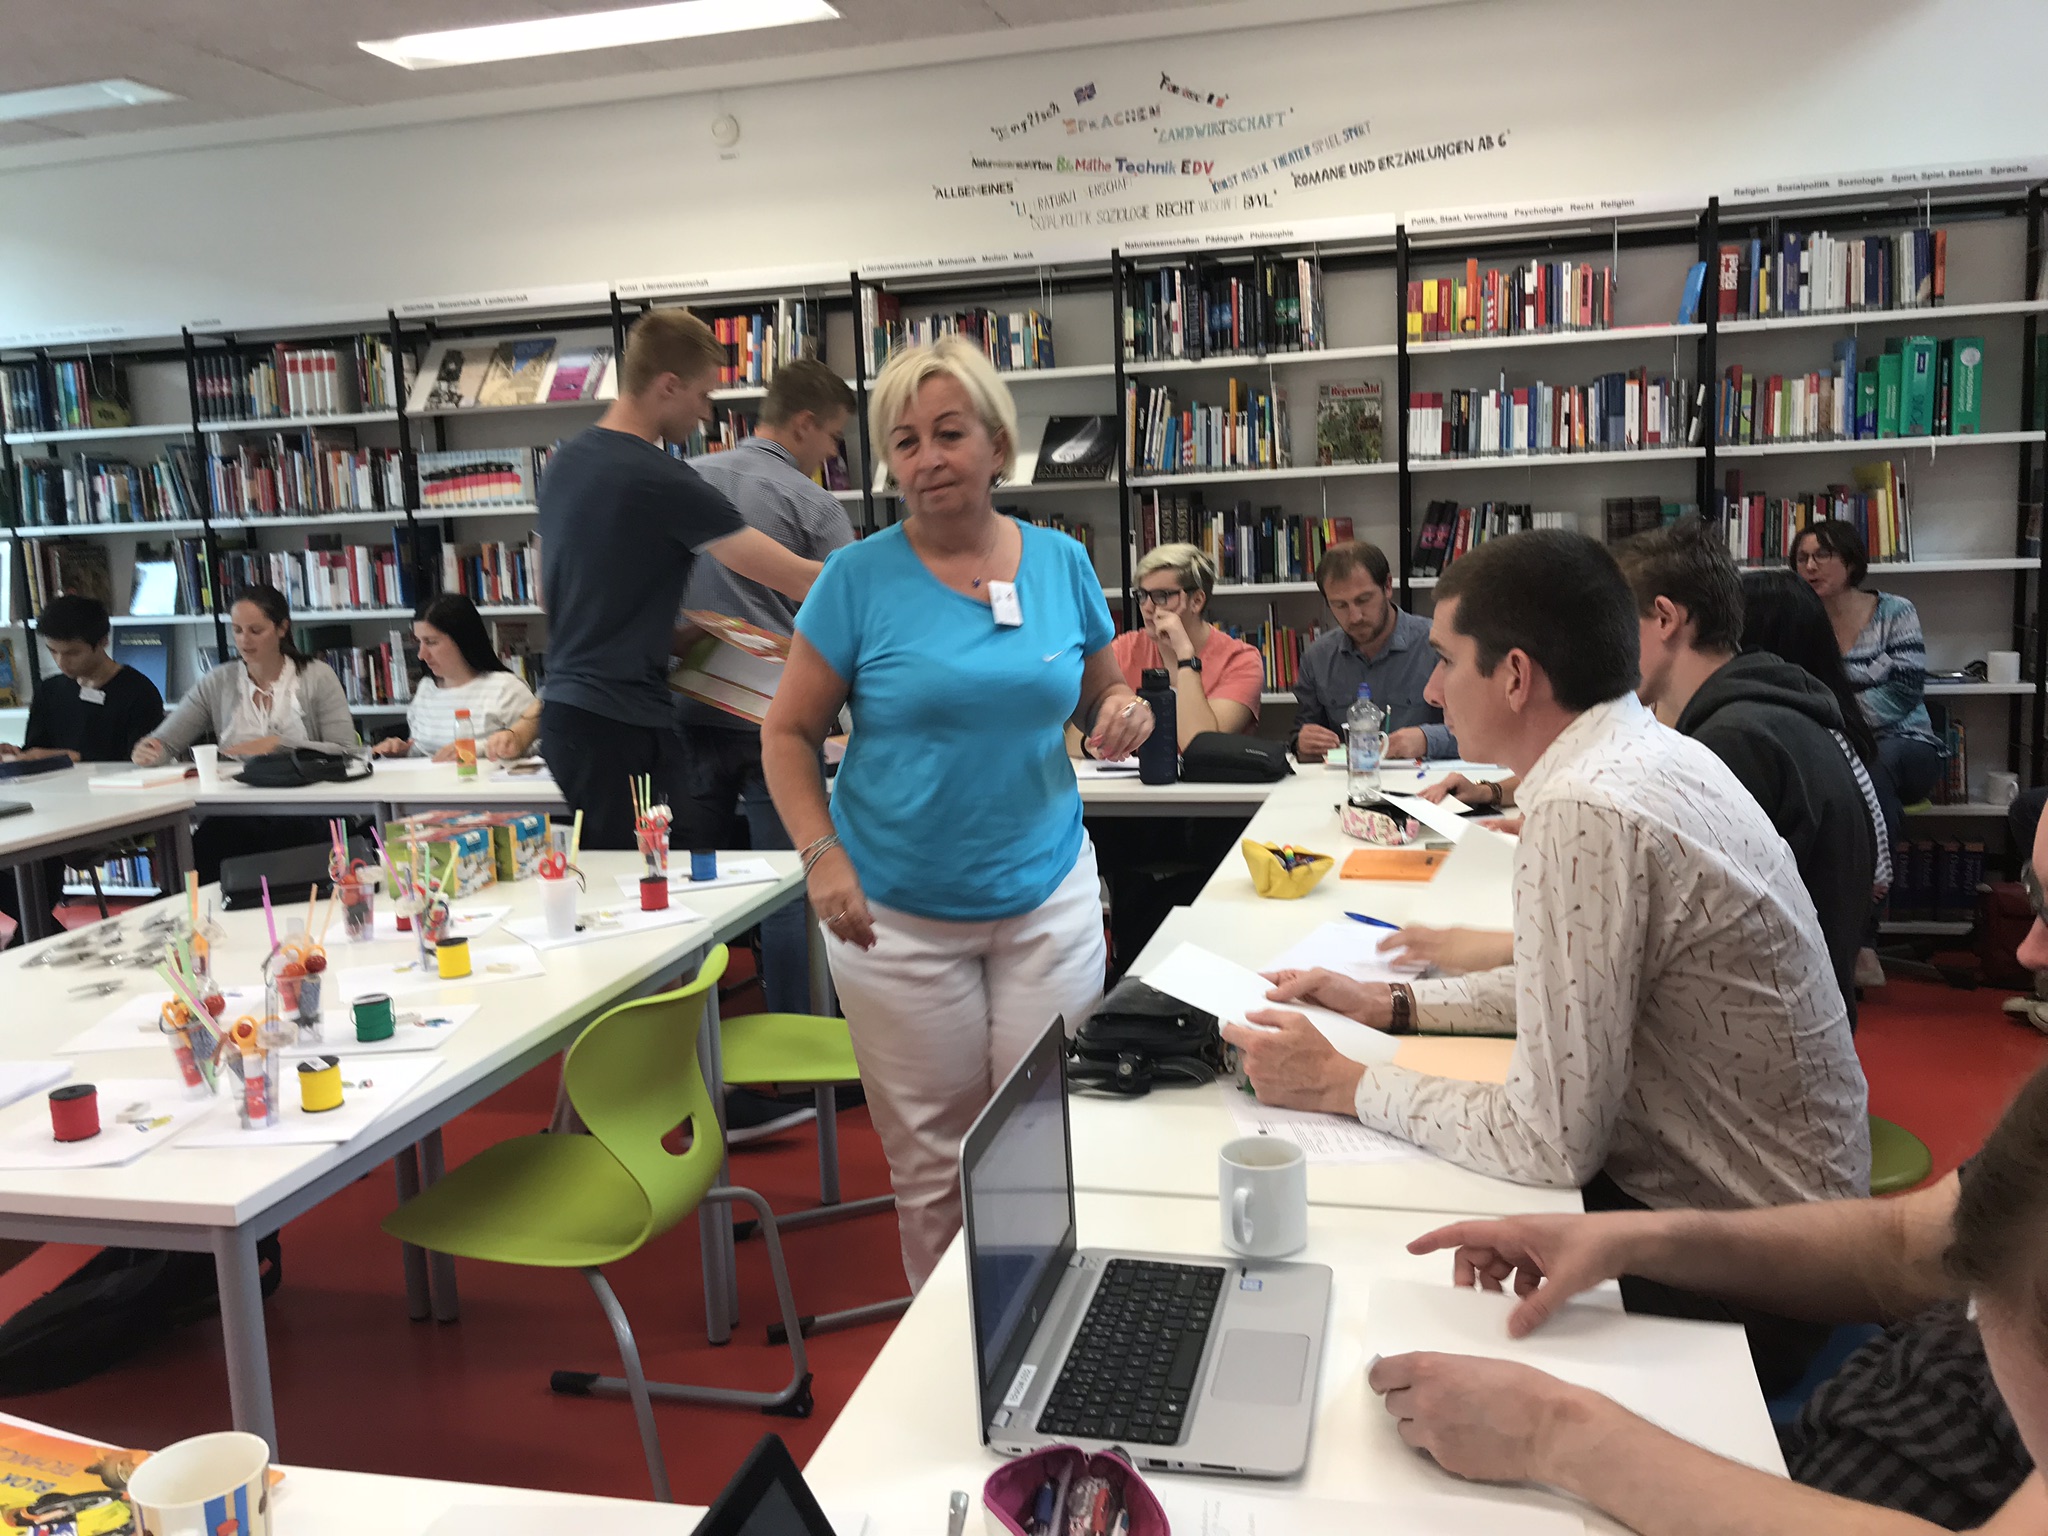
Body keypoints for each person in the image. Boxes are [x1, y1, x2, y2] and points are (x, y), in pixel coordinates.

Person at [1223, 529, 1869, 1391]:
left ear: (1517, 676)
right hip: (1782, 1226)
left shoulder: (1586, 805)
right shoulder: (1644, 749)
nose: (1431, 689)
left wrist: (1341, 1083)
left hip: (1754, 1270)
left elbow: (1547, 1140)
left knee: (1365, 1307)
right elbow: (1570, 988)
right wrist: (1394, 1005)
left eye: (1447, 660)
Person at [1371, 831, 2048, 1532]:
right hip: (1843, 1438)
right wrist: (1633, 1241)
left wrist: (1553, 1433)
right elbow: (1909, 1245)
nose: (2026, 950)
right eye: (2032, 895)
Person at [761, 336, 1152, 1289]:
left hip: (1046, 897)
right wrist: (820, 855)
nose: (928, 458)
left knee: (1045, 1134)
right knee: (935, 1163)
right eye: (905, 442)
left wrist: (1120, 711)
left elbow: (1097, 693)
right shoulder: (854, 580)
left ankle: (1049, 1325)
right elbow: (788, 733)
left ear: (997, 444)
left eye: (948, 433)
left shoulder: (1061, 563)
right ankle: (953, 1357)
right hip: (895, 916)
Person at [537, 308, 824, 850]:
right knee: (662, 876)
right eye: (703, 395)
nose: (706, 414)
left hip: (570, 717)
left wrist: (668, 638)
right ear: (668, 385)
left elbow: (550, 597)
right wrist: (891, 567)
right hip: (621, 722)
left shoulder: (563, 463)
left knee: (657, 865)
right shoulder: (661, 477)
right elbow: (799, 579)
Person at [1615, 519, 1876, 1021]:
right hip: (1784, 1013)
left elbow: (1671, 929)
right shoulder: (1761, 713)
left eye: (1615, 626)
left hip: (1763, 1029)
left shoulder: (1734, 744)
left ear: (1665, 618)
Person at [674, 358, 857, 1016]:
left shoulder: (683, 480)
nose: (832, 454)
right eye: (833, 437)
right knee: (789, 891)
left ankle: (690, 1037)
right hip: (777, 721)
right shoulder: (813, 503)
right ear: (804, 424)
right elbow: (848, 613)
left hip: (685, 708)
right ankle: (797, 1039)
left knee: (692, 892)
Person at [1794, 519, 1945, 806]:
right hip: (1831, 742)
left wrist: (1838, 719)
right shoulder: (1800, 619)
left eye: (1822, 555)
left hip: (1903, 740)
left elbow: (1904, 691)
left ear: (1851, 562)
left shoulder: (1895, 611)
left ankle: (1875, 839)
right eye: (1802, 558)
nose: (1810, 566)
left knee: (1872, 770)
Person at [1074, 543, 1263, 753]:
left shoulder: (1241, 660)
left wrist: (1183, 655)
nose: (1147, 607)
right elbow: (1072, 741)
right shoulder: (1124, 648)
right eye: (1142, 595)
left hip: (1208, 775)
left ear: (1197, 601)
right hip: (1135, 774)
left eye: (1161, 596)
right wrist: (1091, 747)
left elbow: (1200, 746)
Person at [132, 585, 355, 763]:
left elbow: (346, 750)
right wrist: (149, 751)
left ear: (282, 628)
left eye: (256, 631)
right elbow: (166, 742)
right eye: (237, 630)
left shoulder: (317, 675)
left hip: (307, 795)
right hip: (233, 796)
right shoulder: (217, 681)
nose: (244, 640)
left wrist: (279, 745)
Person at [1289, 540, 1455, 762]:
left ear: (1388, 587)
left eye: (1363, 600)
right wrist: (1302, 742)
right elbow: (1302, 734)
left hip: (1425, 777)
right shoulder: (1317, 658)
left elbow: (1481, 732)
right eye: (1340, 605)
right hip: (1351, 778)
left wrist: (1426, 740)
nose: (1355, 616)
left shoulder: (1439, 645)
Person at [371, 593, 536, 761]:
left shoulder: (506, 688)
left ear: (462, 640)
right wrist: (404, 750)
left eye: (431, 642)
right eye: (419, 642)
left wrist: (477, 749)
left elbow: (535, 746)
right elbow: (425, 752)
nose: (421, 654)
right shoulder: (426, 688)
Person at [2, 595, 163, 765]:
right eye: (53, 651)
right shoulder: (48, 690)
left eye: (73, 653)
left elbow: (139, 762)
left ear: (103, 641)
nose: (61, 662)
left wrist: (75, 757)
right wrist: (16, 753)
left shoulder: (139, 693)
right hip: (55, 782)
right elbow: (36, 750)